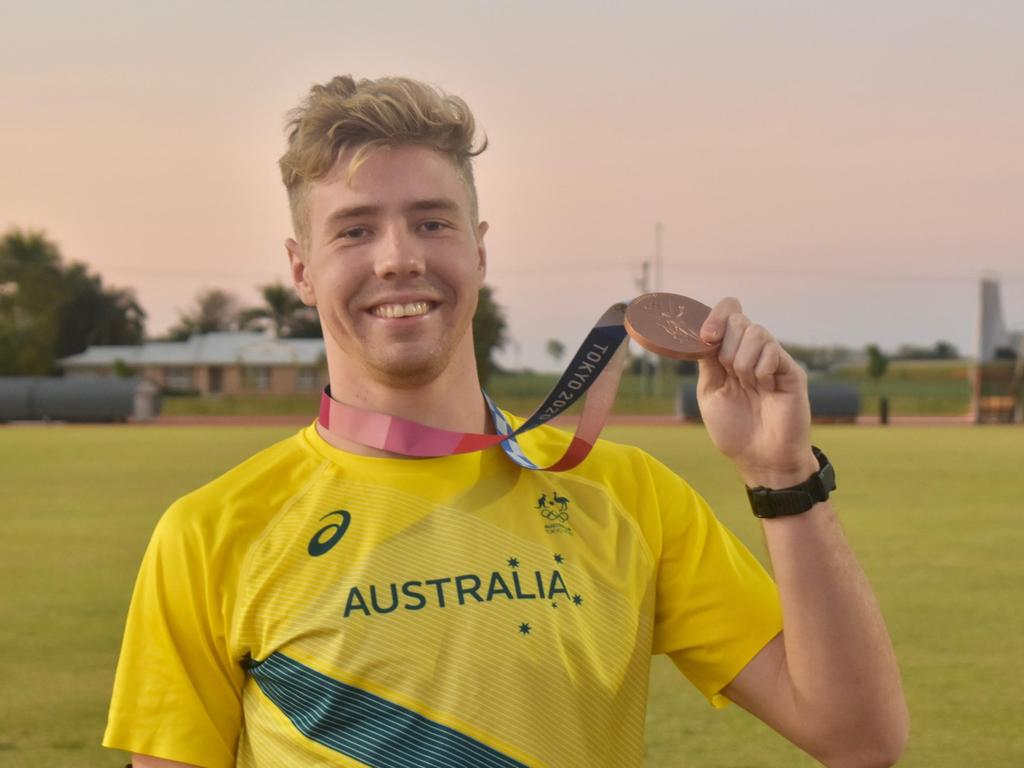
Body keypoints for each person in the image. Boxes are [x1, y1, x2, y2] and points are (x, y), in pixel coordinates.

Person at [104, 75, 908, 767]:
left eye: (432, 221)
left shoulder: (626, 492)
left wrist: (782, 475)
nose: (398, 259)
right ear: (301, 270)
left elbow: (859, 737)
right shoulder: (210, 533)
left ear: (480, 251)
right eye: (354, 230)